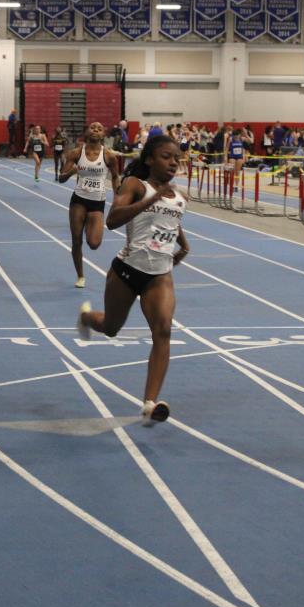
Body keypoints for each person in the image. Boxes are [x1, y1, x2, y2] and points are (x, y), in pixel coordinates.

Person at [76, 135, 189, 425]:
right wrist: (151, 199)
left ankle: (150, 403)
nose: (173, 163)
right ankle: (87, 318)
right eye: (166, 157)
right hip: (126, 272)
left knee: (163, 330)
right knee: (111, 328)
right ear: (150, 159)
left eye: (177, 158)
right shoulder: (135, 186)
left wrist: (184, 245)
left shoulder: (178, 195)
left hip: (159, 275)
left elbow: (171, 220)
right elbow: (112, 219)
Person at [59, 122, 121, 289]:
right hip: (79, 200)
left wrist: (117, 197)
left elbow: (115, 177)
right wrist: (72, 171)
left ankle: (89, 224)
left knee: (94, 243)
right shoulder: (76, 153)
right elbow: (61, 178)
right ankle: (80, 276)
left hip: (97, 202)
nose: (96, 130)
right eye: (93, 127)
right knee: (76, 240)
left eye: (100, 128)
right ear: (86, 132)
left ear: (103, 135)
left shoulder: (109, 156)